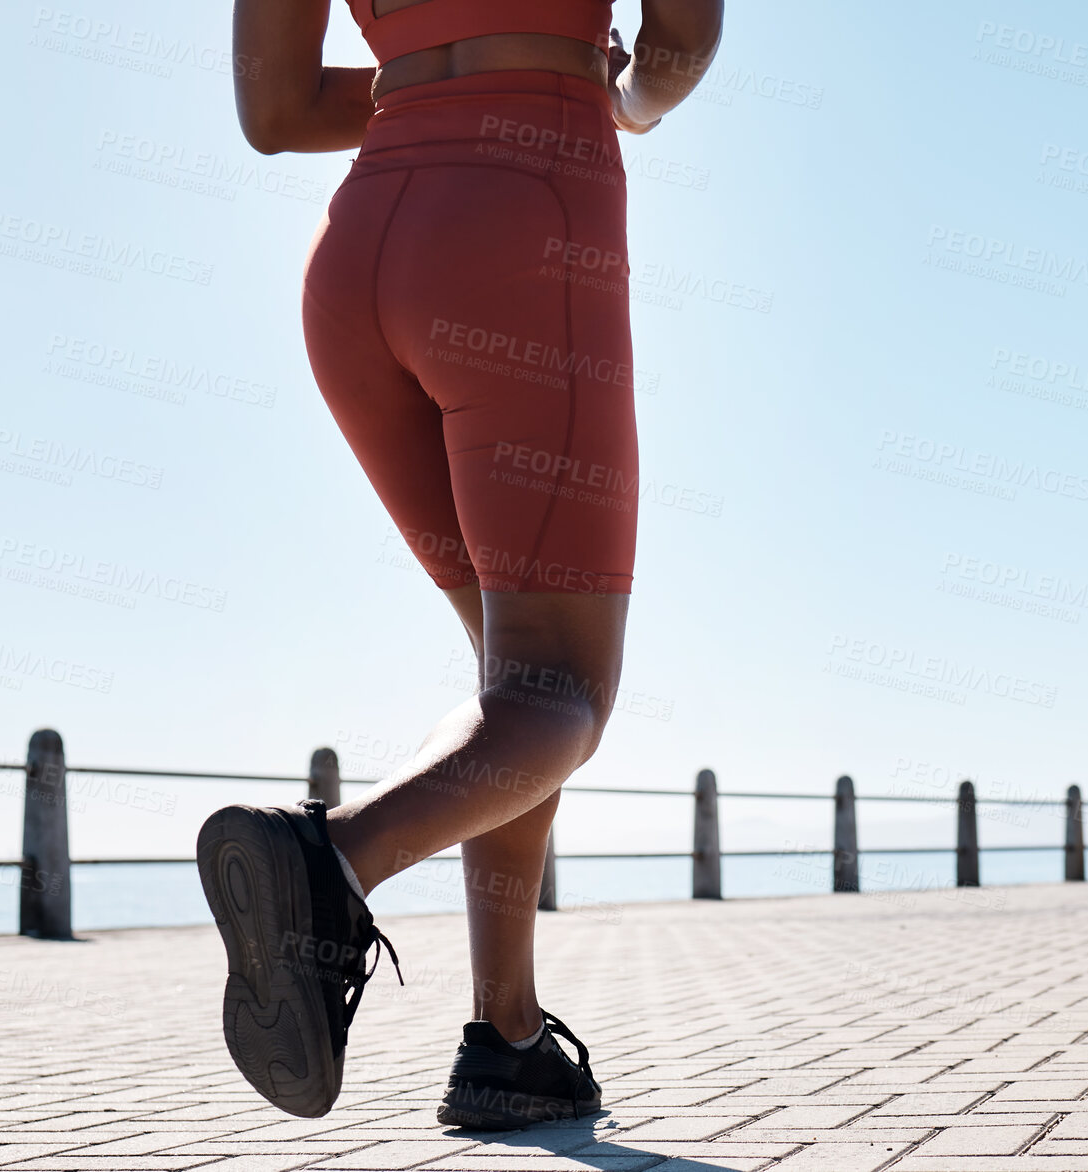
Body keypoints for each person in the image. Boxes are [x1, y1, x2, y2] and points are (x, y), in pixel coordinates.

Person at [197, 0, 723, 1128]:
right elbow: (680, 42)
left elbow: (275, 112)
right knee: (562, 691)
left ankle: (508, 1038)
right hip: (521, 226)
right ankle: (328, 860)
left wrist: (415, 82)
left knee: (512, 687)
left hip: (358, 264)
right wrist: (620, 95)